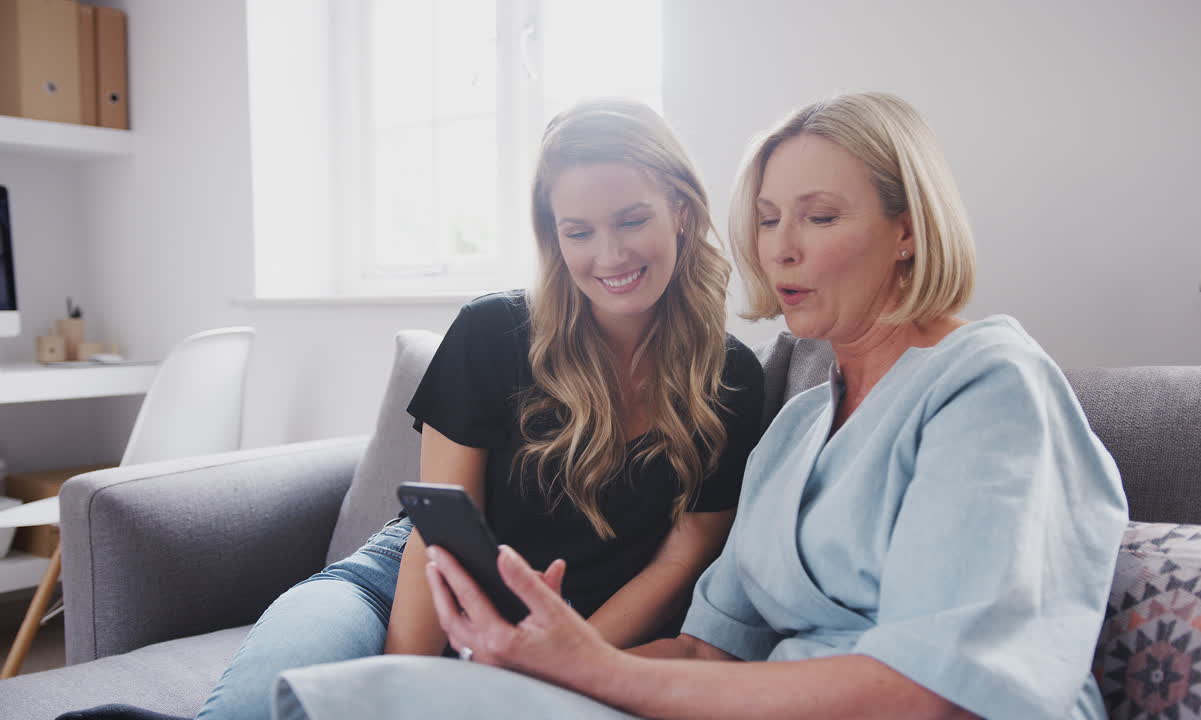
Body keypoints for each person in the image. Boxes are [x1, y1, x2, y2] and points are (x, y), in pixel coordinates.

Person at [270, 92, 1129, 720]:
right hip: (709, 685)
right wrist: (528, 676)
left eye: (820, 217)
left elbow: (931, 693)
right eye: (765, 218)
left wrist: (586, 670)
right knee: (343, 701)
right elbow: (707, 645)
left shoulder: (987, 383)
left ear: (909, 229)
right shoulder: (797, 428)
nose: (782, 248)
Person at [57, 99, 760, 720]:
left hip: (563, 626)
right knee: (261, 704)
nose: (609, 254)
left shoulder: (731, 377)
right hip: (394, 584)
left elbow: (684, 553)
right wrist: (405, 687)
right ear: (553, 236)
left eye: (631, 220)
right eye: (577, 231)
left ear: (682, 209)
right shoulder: (495, 332)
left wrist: (572, 656)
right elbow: (441, 530)